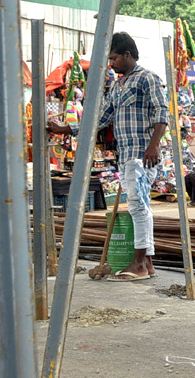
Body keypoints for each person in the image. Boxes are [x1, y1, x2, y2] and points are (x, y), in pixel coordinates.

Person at [51, 33, 169, 280]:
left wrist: (154, 145)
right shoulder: (118, 85)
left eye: (114, 58)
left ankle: (139, 264)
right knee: (138, 204)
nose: (111, 63)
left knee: (138, 206)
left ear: (127, 55)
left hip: (142, 153)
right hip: (126, 155)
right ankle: (146, 263)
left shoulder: (148, 78)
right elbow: (100, 119)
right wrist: (66, 129)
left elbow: (161, 112)